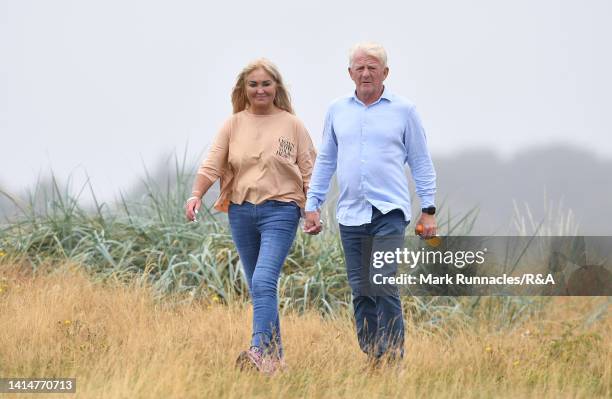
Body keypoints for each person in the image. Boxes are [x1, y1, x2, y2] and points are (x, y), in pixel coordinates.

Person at [303, 42, 437, 364]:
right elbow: (326, 161)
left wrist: (428, 209)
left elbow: (420, 161)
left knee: (383, 282)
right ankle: (373, 356)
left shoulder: (404, 111)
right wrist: (313, 204)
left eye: (372, 67)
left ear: (385, 73)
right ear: (350, 73)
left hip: (389, 212)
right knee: (361, 290)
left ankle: (393, 359)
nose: (366, 73)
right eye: (360, 68)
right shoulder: (337, 110)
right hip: (351, 214)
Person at [185, 58, 316, 374]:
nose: (260, 89)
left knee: (262, 279)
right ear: (244, 89)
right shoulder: (233, 124)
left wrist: (312, 209)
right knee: (259, 285)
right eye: (253, 84)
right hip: (241, 213)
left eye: (266, 84)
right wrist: (196, 195)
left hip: (281, 211)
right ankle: (276, 361)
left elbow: (311, 171)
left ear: (276, 88)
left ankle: (258, 350)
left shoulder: (292, 125)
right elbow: (212, 164)